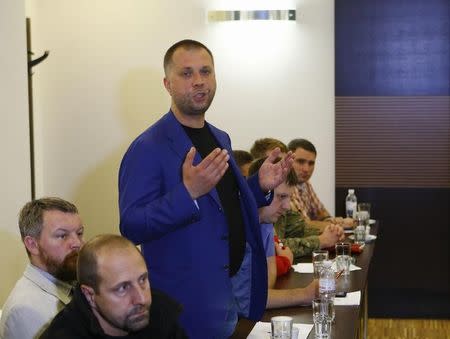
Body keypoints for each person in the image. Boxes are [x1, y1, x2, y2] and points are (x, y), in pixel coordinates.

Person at [118, 39, 294, 338]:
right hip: (184, 308)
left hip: (227, 294)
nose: (199, 81)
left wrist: (258, 185)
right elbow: (132, 226)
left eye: (206, 71)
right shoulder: (148, 147)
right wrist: (186, 194)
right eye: (186, 73)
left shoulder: (219, 138)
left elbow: (223, 206)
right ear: (167, 83)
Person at [40, 235, 186, 339]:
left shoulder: (160, 314)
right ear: (90, 295)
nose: (141, 299)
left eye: (142, 280)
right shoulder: (63, 334)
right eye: (123, 288)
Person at [0, 197, 84, 339]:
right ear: (32, 245)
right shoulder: (24, 310)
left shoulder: (77, 284)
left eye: (79, 233)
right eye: (62, 235)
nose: (77, 243)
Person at [247, 158, 318, 308]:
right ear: (260, 191)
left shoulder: (266, 224)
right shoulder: (237, 224)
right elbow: (250, 298)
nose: (287, 206)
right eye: (281, 197)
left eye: (289, 198)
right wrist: (305, 295)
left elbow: (265, 286)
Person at [288, 138, 353, 229]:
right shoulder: (285, 186)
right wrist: (339, 225)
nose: (306, 169)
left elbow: (321, 212)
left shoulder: (306, 183)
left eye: (311, 163)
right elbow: (302, 226)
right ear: (288, 160)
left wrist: (330, 220)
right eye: (300, 161)